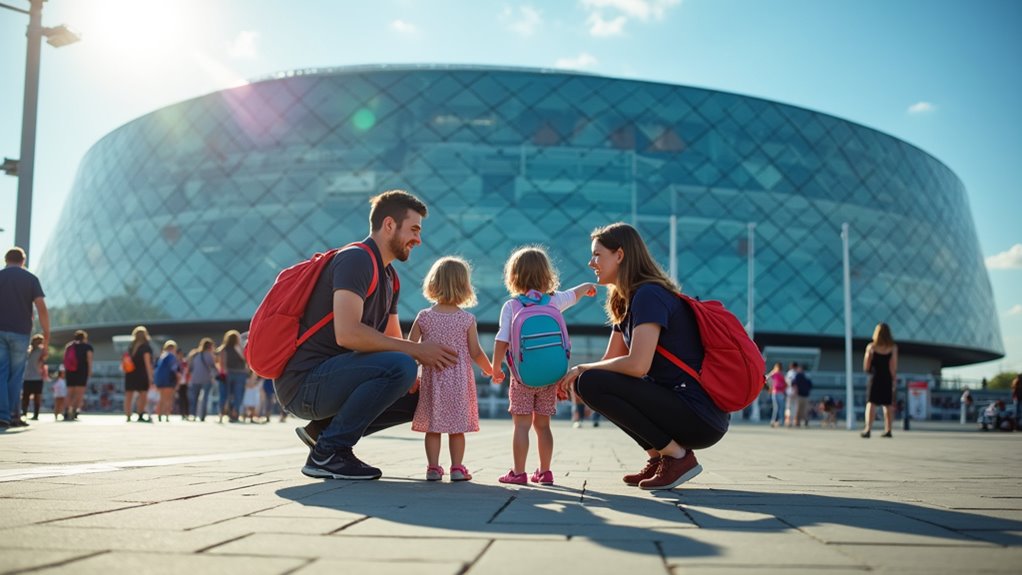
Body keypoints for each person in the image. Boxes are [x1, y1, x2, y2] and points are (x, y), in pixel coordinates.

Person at [273, 190, 457, 480]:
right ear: (388, 225)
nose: (418, 240)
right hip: (303, 384)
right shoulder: (356, 259)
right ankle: (329, 453)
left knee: (422, 393)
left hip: (333, 379)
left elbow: (394, 342)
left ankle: (322, 433)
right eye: (414, 230)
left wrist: (417, 373)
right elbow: (348, 334)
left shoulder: (390, 278)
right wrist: (416, 353)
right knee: (403, 365)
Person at [556, 223, 729, 491]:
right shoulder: (625, 301)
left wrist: (582, 368)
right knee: (588, 381)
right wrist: (575, 374)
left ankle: (678, 458)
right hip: (680, 408)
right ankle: (659, 457)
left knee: (589, 380)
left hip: (699, 415)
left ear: (620, 255)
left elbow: (637, 365)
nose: (591, 263)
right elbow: (609, 364)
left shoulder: (649, 295)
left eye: (597, 255)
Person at [491, 246, 596, 486]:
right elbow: (573, 293)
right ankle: (545, 472)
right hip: (550, 377)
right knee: (543, 425)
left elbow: (502, 340)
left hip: (522, 378)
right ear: (546, 275)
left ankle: (519, 473)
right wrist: (587, 286)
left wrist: (496, 368)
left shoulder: (512, 306)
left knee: (521, 426)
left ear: (513, 276)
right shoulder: (554, 301)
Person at [408, 256, 492, 482]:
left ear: (433, 283)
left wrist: (410, 377)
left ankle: (433, 468)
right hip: (458, 382)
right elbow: (476, 352)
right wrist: (491, 370)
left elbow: (411, 349)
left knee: (433, 428)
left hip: (432, 381)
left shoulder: (424, 317)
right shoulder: (466, 319)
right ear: (464, 286)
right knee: (457, 428)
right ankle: (457, 468)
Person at [0, 247, 50, 429]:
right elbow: (41, 307)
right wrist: (46, 334)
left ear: (5, 260)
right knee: (15, 376)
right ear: (23, 261)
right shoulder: (30, 279)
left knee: (1, 373)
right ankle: (11, 415)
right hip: (21, 332)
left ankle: (5, 415)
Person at [862, 322, 898, 438]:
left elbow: (866, 366)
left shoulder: (871, 347)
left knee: (871, 403)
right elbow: (893, 366)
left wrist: (869, 370)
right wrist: (893, 379)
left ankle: (868, 429)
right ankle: (888, 429)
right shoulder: (892, 348)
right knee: (887, 404)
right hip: (886, 378)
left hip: (875, 377)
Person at [123, 326, 155, 423]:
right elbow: (147, 363)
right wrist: (150, 377)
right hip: (141, 374)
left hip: (130, 373)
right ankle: (140, 414)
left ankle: (128, 415)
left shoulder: (131, 346)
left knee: (129, 395)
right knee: (143, 394)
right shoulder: (146, 347)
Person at [217, 330, 248, 423]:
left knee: (226, 394)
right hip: (240, 373)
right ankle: (235, 413)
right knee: (238, 394)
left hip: (228, 373)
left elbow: (222, 363)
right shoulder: (240, 347)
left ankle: (222, 414)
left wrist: (224, 371)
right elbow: (245, 359)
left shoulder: (224, 348)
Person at [63, 330, 93, 421]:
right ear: (84, 338)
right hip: (82, 371)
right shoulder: (87, 347)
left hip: (70, 371)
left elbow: (65, 360)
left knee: (69, 392)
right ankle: (75, 411)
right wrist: (90, 371)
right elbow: (89, 359)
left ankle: (66, 411)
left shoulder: (69, 346)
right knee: (79, 393)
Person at [186, 338, 217, 421]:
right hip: (206, 379)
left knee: (194, 398)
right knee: (205, 398)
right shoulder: (208, 355)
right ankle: (202, 416)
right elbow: (213, 367)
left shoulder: (194, 354)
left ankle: (192, 415)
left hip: (195, 379)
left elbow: (190, 367)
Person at [20, 334, 48, 422]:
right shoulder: (30, 350)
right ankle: (27, 413)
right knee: (29, 397)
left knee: (33, 397)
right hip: (30, 377)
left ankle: (32, 414)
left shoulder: (38, 351)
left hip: (34, 377)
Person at [153, 340, 179, 422]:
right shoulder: (172, 357)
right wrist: (178, 380)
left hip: (160, 380)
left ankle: (160, 415)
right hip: (169, 380)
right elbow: (174, 370)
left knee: (161, 398)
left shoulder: (161, 356)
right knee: (168, 398)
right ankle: (167, 415)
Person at [766, 362, 786, 428]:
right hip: (774, 393)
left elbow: (785, 383)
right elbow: (766, 378)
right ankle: (773, 421)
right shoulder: (774, 374)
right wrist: (772, 372)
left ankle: (781, 421)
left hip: (780, 393)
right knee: (776, 408)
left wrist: (783, 390)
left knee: (781, 408)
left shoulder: (781, 375)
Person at [784, 362, 798, 427]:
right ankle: (792, 421)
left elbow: (788, 382)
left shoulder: (789, 373)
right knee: (794, 407)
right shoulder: (795, 373)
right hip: (794, 392)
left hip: (789, 392)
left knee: (789, 407)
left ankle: (788, 421)